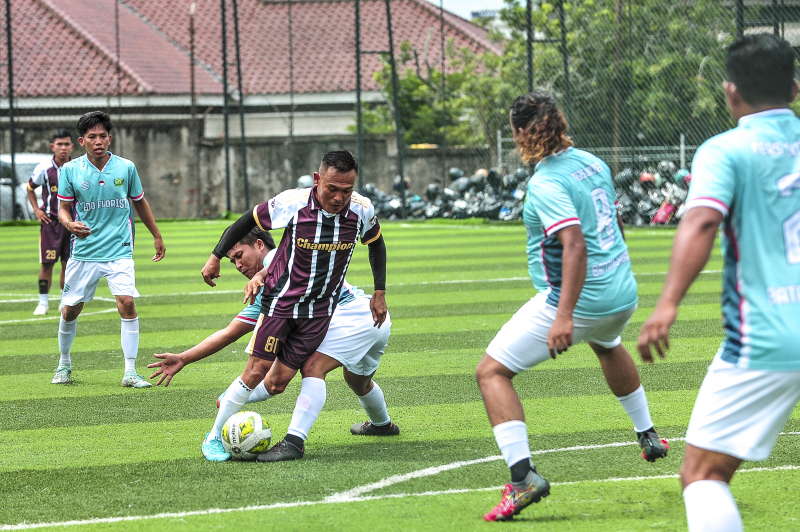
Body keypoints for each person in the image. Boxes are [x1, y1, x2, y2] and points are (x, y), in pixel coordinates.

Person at [475, 92, 668, 522]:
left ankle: (523, 479)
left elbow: (575, 244)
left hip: (581, 299)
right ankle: (648, 434)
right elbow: (615, 223)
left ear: (522, 132)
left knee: (490, 372)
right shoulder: (592, 162)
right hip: (621, 293)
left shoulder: (545, 182)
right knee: (607, 344)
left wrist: (563, 316)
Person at [638, 34, 800, 532]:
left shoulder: (724, 150)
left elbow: (701, 222)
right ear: (794, 89)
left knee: (703, 475)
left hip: (771, 335)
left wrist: (666, 304)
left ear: (730, 92)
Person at [199, 149, 387, 462]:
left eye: (347, 190)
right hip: (281, 306)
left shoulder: (361, 209)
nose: (339, 197)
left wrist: (379, 291)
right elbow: (245, 220)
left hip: (319, 313)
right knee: (257, 370)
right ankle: (214, 436)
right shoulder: (293, 202)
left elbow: (377, 243)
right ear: (317, 180)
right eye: (332, 189)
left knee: (279, 382)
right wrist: (216, 256)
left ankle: (242, 411)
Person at [147, 227, 397, 462]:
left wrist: (235, 396)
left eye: (239, 256)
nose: (237, 265)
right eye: (232, 261)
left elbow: (283, 262)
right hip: (375, 319)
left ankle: (294, 442)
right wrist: (183, 358)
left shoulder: (275, 257)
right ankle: (382, 425)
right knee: (357, 381)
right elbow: (229, 333)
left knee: (311, 368)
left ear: (258, 244)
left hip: (351, 315)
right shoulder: (269, 292)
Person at [54, 110, 165, 387]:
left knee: (127, 303)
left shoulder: (126, 167)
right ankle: (64, 363)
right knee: (70, 310)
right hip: (84, 251)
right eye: (92, 137)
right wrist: (70, 225)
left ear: (110, 138)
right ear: (82, 141)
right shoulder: (70, 170)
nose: (98, 141)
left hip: (120, 249)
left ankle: (130, 371)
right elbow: (63, 210)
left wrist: (156, 235)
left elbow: (139, 201)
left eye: (103, 136)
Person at [26, 129, 74, 315]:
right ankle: (43, 302)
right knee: (47, 263)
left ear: (72, 145)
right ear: (52, 146)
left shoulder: (78, 166)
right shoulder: (44, 168)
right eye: (59, 144)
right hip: (51, 223)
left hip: (71, 223)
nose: (63, 148)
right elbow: (30, 188)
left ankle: (64, 300)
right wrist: (36, 210)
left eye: (66, 144)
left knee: (68, 263)